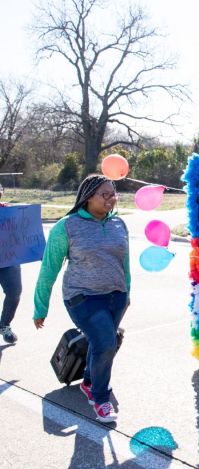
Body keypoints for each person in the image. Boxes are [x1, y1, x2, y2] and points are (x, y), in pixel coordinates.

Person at [33, 174, 130, 423]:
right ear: (88, 198)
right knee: (106, 343)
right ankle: (99, 398)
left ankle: (88, 381)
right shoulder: (66, 226)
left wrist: (126, 292)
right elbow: (49, 269)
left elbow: (124, 263)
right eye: (104, 194)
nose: (111, 199)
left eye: (113, 193)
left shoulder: (119, 224)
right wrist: (40, 306)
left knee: (99, 343)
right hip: (82, 297)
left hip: (115, 296)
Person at [0, 182, 22, 344]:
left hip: (8, 260)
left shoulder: (9, 211)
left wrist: (37, 250)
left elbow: (26, 233)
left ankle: (4, 325)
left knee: (14, 293)